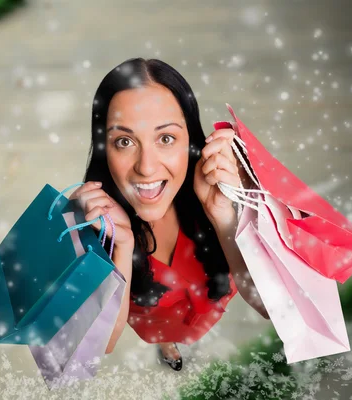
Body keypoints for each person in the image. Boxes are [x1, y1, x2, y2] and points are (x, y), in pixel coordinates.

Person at [69, 57, 270, 371]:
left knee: (193, 328)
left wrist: (221, 215)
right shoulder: (93, 225)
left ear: (190, 140)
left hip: (204, 309)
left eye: (166, 138)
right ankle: (166, 343)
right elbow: (97, 346)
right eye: (123, 141)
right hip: (153, 319)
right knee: (163, 332)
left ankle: (181, 339)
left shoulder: (216, 194)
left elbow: (272, 308)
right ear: (102, 149)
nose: (146, 167)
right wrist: (121, 247)